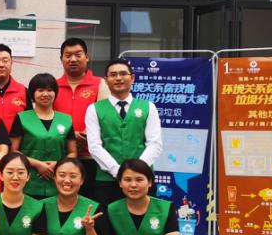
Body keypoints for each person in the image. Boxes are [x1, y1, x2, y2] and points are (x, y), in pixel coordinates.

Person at [85, 59, 162, 211]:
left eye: (123, 74)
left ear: (132, 78)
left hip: (142, 180)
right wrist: (117, 171)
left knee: (143, 219)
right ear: (106, 80)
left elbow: (155, 144)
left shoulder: (148, 107)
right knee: (106, 221)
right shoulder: (94, 109)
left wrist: (136, 171)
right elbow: (94, 146)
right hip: (107, 179)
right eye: (113, 75)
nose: (118, 78)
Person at [10, 72, 77, 200]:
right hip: (28, 182)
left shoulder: (66, 120)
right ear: (32, 94)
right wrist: (37, 164)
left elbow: (73, 152)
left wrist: (57, 164)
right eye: (40, 90)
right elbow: (13, 151)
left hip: (59, 182)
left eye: (50, 90)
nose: (45, 94)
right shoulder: (21, 118)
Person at [54, 38, 107, 191]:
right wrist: (71, 136)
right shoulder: (52, 86)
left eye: (78, 55)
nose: (73, 59)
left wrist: (84, 135)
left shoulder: (99, 84)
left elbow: (104, 117)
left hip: (91, 157)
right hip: (60, 157)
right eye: (68, 55)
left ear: (87, 57)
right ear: (61, 59)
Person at [0, 43, 28, 130]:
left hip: (16, 139)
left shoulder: (23, 91)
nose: (1, 65)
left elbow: (30, 123)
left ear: (11, 63)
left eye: (5, 60)